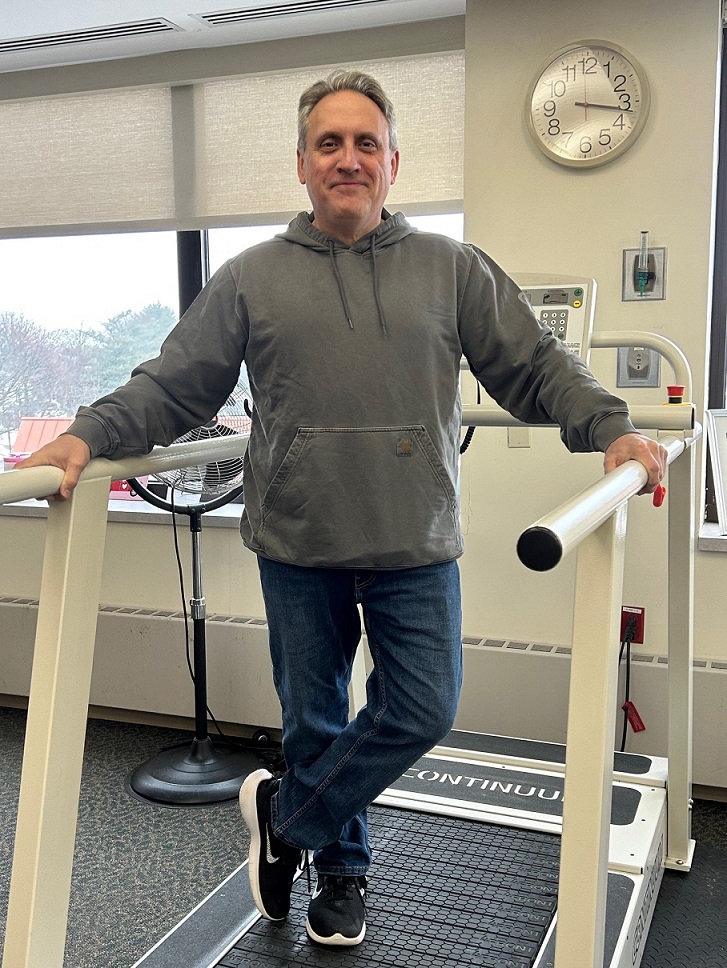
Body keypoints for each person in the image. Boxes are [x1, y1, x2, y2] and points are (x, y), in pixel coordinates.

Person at [19, 69, 667, 948]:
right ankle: (343, 875)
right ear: (302, 164)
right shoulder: (250, 279)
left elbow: (535, 365)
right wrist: (87, 434)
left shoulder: (451, 267)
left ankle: (287, 819)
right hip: (297, 540)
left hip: (415, 538)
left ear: (393, 162)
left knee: (423, 708)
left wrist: (612, 429)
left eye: (367, 143)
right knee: (315, 719)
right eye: (330, 143)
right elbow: (176, 383)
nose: (348, 159)